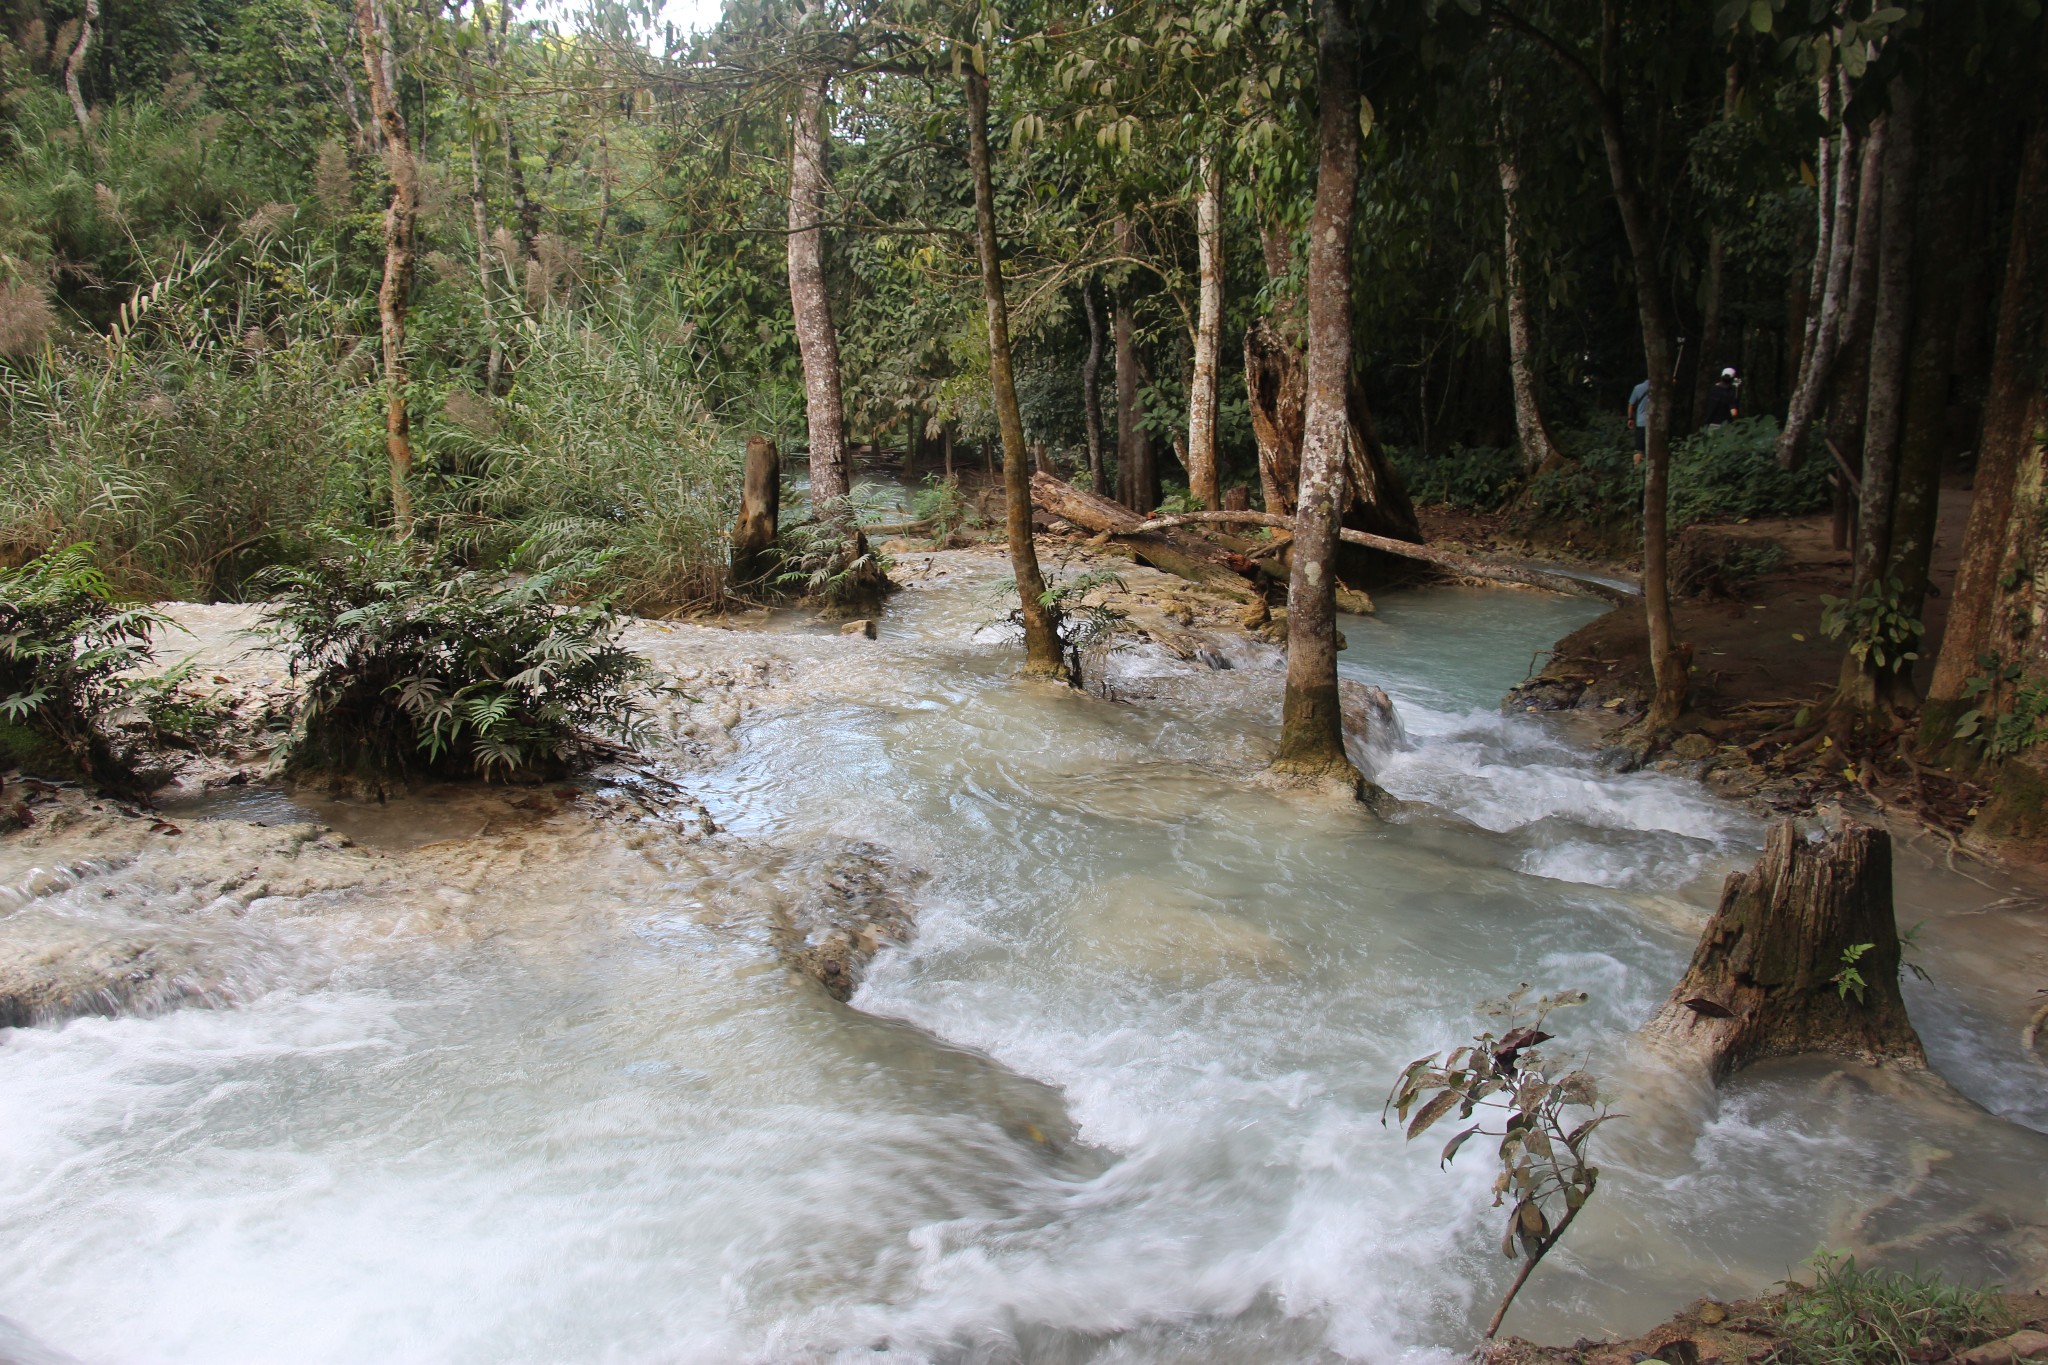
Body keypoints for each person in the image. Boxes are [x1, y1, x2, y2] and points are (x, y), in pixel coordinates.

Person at [1627, 378, 1651, 463]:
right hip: (1654, 423)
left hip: (1641, 422)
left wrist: (1630, 418)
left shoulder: (1638, 388)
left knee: (1639, 450)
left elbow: (1631, 405)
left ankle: (1637, 470)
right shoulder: (1660, 387)